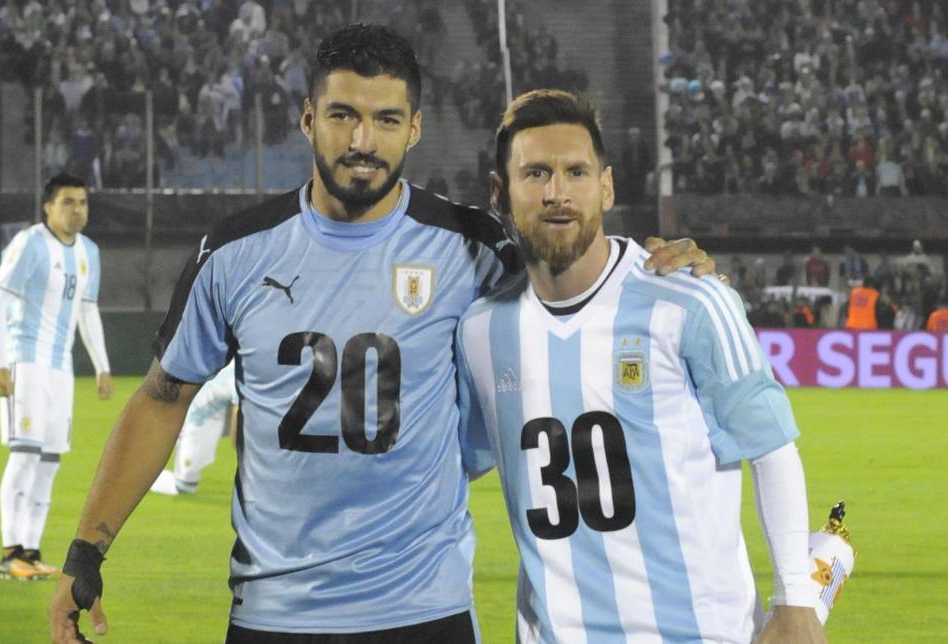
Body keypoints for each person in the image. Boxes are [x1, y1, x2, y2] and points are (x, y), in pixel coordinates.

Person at [48, 25, 717, 644]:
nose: (363, 139)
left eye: (386, 120)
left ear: (415, 129)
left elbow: (576, 279)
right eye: (343, 115)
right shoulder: (234, 253)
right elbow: (164, 398)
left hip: (427, 610)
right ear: (309, 118)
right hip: (275, 615)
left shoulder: (472, 248)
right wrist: (86, 550)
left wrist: (658, 267)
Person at [455, 89, 825, 643]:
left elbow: (771, 448)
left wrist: (795, 600)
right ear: (499, 192)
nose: (557, 192)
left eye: (575, 172)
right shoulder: (481, 331)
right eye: (535, 174)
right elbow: (453, 461)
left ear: (605, 187)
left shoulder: (691, 300)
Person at [0, 173, 114, 581]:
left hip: (61, 370)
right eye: (68, 202)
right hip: (25, 361)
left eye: (82, 203)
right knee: (24, 457)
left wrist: (102, 365)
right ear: (48, 207)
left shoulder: (89, 252)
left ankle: (31, 551)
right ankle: (10, 554)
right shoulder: (30, 243)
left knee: (48, 464)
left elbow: (87, 311)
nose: (77, 210)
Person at [150, 361, 238, 496]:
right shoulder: (245, 376)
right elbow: (237, 435)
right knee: (184, 486)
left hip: (225, 406)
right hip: (202, 413)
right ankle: (138, 473)